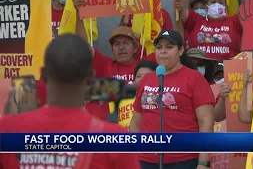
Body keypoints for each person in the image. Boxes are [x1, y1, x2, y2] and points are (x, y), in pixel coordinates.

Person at [0, 34, 140, 169]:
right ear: (91, 78)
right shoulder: (116, 141)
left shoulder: (6, 129)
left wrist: (11, 121)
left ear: (43, 74)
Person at [129, 29, 215, 169]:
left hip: (183, 159)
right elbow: (136, 122)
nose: (163, 51)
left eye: (169, 47)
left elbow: (206, 123)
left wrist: (203, 162)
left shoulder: (194, 78)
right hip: (145, 159)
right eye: (159, 47)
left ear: (181, 51)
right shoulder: (147, 80)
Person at [175, 0, 242, 60]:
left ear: (226, 8)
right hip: (199, 67)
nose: (217, 5)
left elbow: (252, 10)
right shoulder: (196, 20)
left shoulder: (234, 21)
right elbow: (182, 7)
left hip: (227, 68)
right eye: (213, 2)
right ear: (206, 7)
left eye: (221, 2)